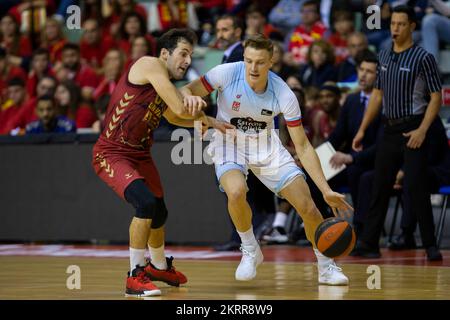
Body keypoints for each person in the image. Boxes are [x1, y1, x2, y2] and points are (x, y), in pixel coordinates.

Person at [182, 35, 353, 285]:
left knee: (307, 206)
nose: (253, 67)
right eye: (249, 60)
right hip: (228, 140)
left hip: (266, 144)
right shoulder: (226, 72)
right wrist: (196, 109)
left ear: (271, 61)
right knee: (236, 191)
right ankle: (250, 248)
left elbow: (303, 146)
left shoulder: (283, 92)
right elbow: (186, 90)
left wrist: (325, 189)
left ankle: (326, 266)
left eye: (260, 62)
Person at [91, 28, 232, 297]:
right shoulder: (150, 64)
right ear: (165, 53)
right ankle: (134, 276)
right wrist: (194, 104)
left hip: (140, 154)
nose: (188, 60)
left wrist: (210, 121)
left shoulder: (161, 83)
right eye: (183, 53)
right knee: (144, 203)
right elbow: (181, 109)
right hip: (112, 152)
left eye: (191, 55)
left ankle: (158, 266)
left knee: (159, 211)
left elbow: (175, 117)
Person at [352, 6, 443, 261]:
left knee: (416, 186)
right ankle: (369, 243)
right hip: (389, 129)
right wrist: (361, 130)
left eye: (401, 24)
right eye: (392, 23)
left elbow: (436, 98)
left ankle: (430, 245)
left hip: (414, 126)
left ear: (412, 27)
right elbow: (377, 96)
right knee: (379, 186)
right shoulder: (383, 56)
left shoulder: (423, 57)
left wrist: (422, 130)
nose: (395, 28)